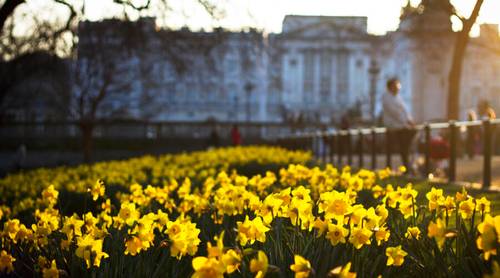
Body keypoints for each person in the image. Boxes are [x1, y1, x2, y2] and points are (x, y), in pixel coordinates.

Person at [382, 78, 416, 171]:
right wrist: (406, 122)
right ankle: (404, 166)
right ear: (391, 87)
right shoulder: (386, 97)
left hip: (402, 125)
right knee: (403, 146)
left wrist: (410, 120)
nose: (398, 88)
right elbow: (395, 112)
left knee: (405, 146)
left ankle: (407, 165)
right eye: (396, 85)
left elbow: (405, 111)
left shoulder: (398, 97)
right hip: (395, 126)